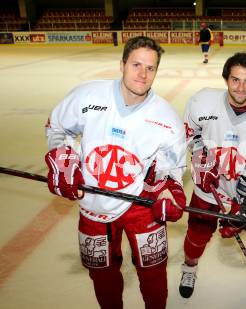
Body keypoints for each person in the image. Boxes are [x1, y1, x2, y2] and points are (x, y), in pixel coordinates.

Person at [44, 36, 187, 309]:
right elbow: (57, 127)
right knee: (102, 273)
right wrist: (63, 158)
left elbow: (172, 167)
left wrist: (170, 187)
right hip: (93, 204)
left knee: (153, 270)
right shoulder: (87, 96)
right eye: (136, 64)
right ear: (122, 64)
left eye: (150, 68)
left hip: (141, 203)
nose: (143, 74)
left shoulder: (167, 119)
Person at [179, 52, 246, 298]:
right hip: (207, 189)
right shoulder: (202, 101)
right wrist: (199, 159)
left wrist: (238, 204)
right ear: (226, 78)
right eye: (235, 80)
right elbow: (189, 133)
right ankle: (189, 268)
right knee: (196, 234)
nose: (241, 88)